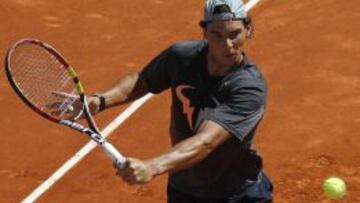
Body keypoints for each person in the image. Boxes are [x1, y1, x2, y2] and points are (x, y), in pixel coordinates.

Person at [88, 0, 273, 202]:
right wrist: (101, 100)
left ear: (248, 29)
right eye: (217, 35)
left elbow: (206, 142)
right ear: (204, 33)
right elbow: (142, 81)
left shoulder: (248, 87)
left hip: (236, 195)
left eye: (234, 34)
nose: (227, 45)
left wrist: (153, 166)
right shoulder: (181, 57)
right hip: (184, 190)